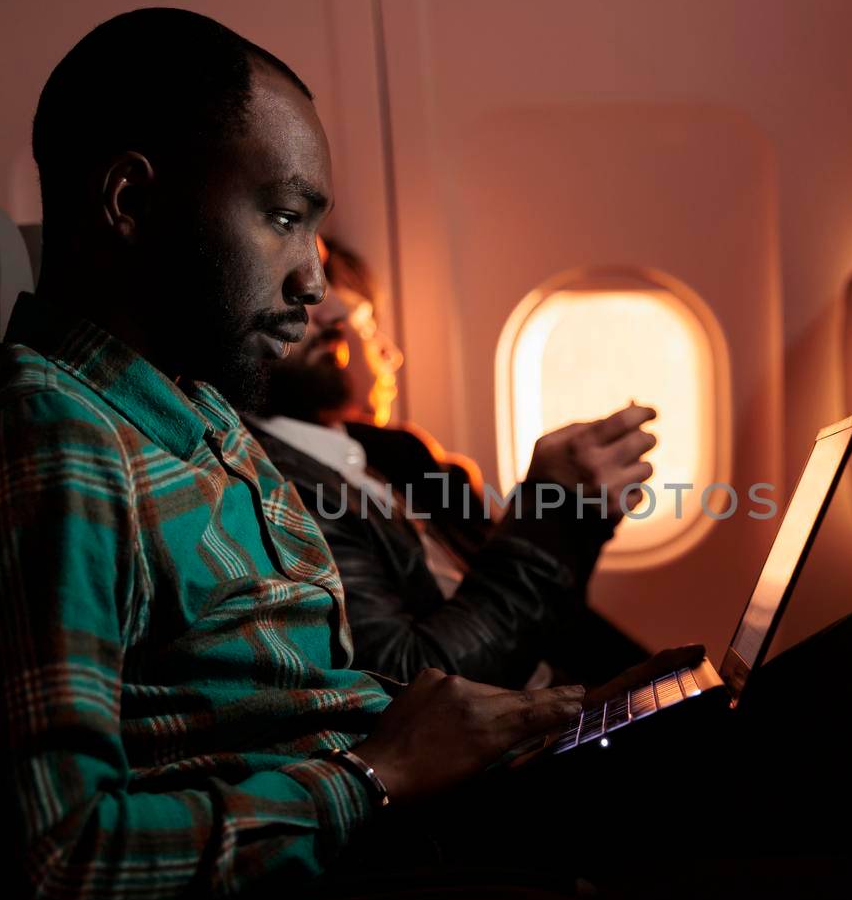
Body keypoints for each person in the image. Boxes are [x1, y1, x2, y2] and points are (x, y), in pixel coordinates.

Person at [0, 7, 852, 900]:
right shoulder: (63, 438)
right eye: (285, 215)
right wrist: (377, 771)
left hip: (454, 807)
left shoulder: (192, 414)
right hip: (385, 868)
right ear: (131, 201)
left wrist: (522, 721)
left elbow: (312, 691)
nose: (317, 280)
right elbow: (54, 864)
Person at [244, 239, 648, 688]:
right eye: (288, 282)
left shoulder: (374, 452)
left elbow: (529, 614)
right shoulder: (275, 487)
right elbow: (414, 681)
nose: (335, 311)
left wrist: (580, 520)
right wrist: (552, 517)